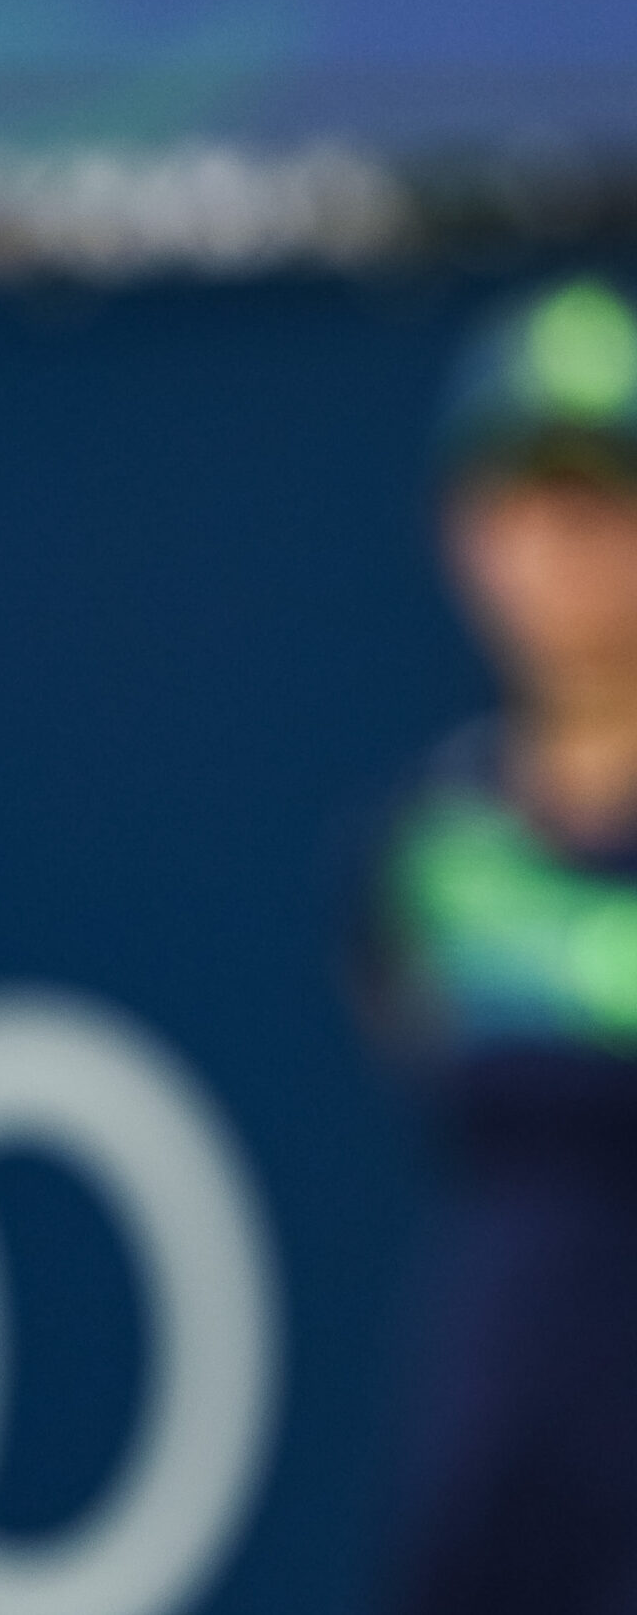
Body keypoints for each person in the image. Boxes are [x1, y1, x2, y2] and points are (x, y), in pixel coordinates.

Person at [358, 276, 637, 1615]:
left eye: (603, 494)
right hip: (490, 1487)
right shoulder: (428, 848)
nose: (565, 541)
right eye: (523, 496)